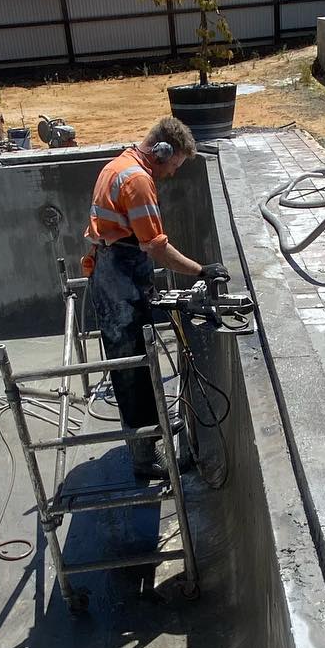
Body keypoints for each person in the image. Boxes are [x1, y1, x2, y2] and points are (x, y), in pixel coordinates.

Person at [82, 117, 225, 482]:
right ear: (162, 151)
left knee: (137, 364)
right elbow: (156, 247)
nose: (172, 174)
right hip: (119, 287)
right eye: (174, 165)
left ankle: (150, 432)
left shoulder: (120, 164)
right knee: (132, 370)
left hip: (114, 276)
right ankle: (146, 458)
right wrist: (200, 270)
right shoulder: (138, 180)